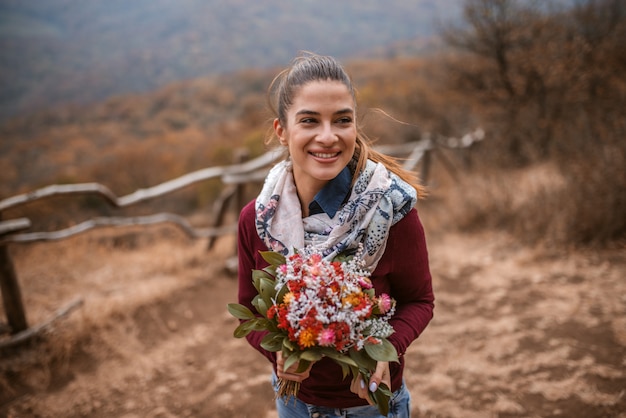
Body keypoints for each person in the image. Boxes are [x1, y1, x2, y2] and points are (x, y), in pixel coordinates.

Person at [237, 52, 434, 418]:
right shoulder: (258, 219)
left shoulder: (390, 211)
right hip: (294, 405)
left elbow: (420, 301)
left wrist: (386, 350)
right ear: (282, 130)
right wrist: (278, 353)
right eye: (309, 121)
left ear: (355, 125)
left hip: (372, 407)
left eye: (342, 120)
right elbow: (249, 309)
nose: (327, 137)